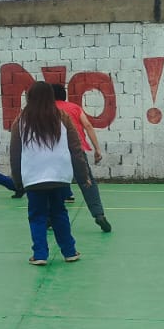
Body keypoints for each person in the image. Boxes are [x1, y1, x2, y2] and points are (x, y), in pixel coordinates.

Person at [9, 82, 91, 266]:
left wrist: (17, 180)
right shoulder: (62, 117)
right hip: (59, 175)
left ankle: (39, 254)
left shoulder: (21, 120)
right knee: (59, 213)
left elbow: (15, 153)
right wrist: (83, 175)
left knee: (37, 216)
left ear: (29, 97)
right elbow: (76, 149)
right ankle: (70, 252)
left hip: (33, 176)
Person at [51, 83, 112, 233]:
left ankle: (49, 219)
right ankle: (99, 214)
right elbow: (88, 126)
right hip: (77, 151)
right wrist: (97, 149)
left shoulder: (47, 109)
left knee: (52, 185)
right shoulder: (74, 108)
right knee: (87, 183)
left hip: (55, 153)